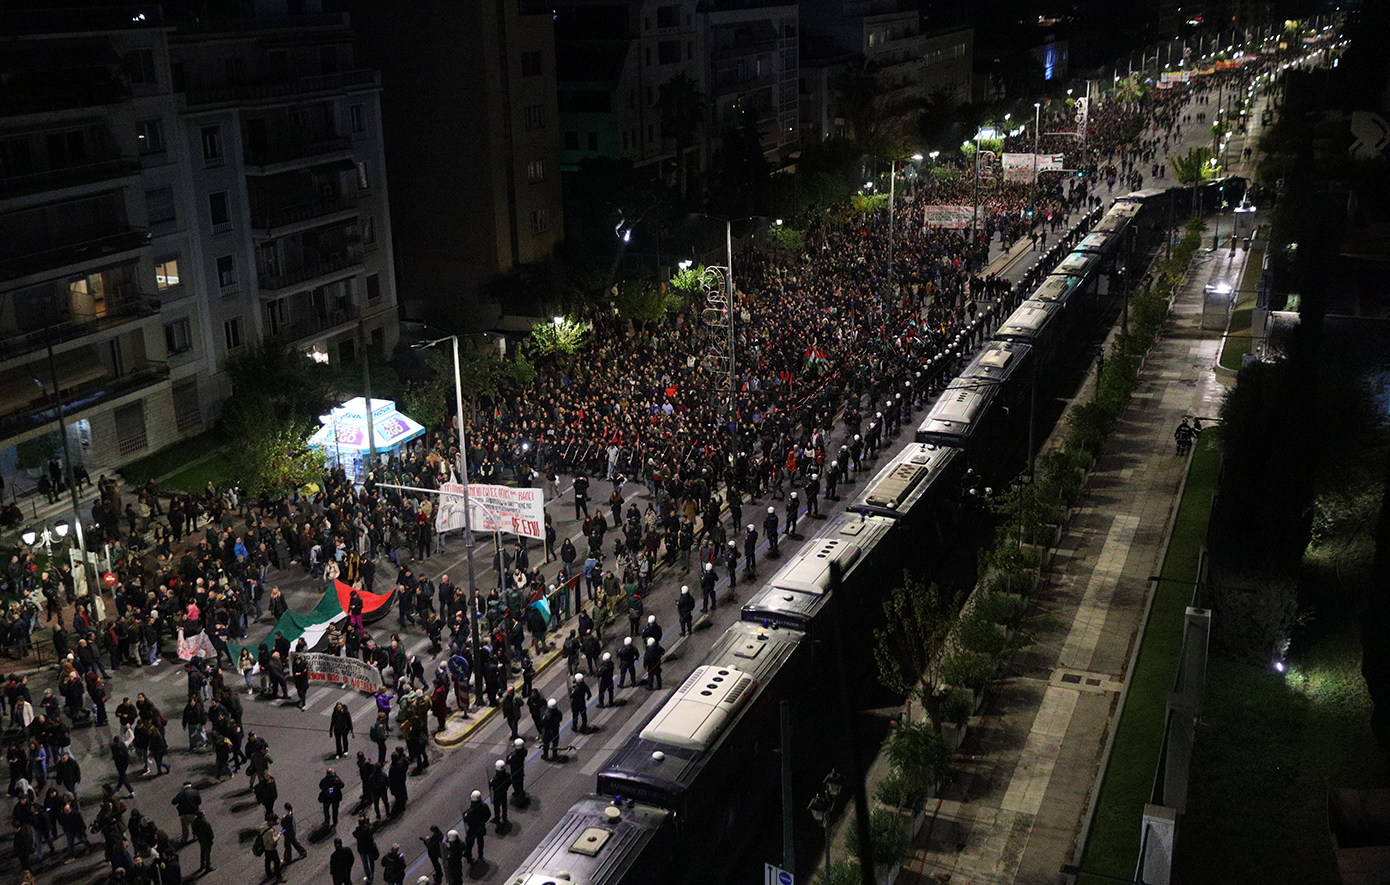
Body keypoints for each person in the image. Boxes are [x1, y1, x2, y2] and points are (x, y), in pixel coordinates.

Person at [462, 791, 489, 863]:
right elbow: (488, 814)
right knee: (480, 841)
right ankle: (480, 855)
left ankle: (469, 855)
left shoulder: (471, 811)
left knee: (469, 842)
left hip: (473, 829)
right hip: (481, 827)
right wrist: (483, 821)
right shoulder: (484, 806)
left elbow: (466, 819)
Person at [255, 814, 284, 882]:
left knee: (267, 861)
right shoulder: (270, 831)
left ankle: (269, 875)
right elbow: (273, 841)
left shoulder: (263, 825)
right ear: (271, 821)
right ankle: (279, 878)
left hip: (265, 847)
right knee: (276, 863)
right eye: (274, 821)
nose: (275, 823)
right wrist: (278, 835)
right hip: (271, 849)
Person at [354, 814, 380, 883]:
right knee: (371, 861)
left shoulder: (358, 830)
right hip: (369, 848)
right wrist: (368, 823)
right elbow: (373, 829)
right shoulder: (368, 828)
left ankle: (368, 875)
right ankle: (372, 872)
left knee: (365, 863)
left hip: (362, 849)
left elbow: (354, 834)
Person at [488, 760, 510, 827]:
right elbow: (509, 782)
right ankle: (504, 818)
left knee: (497, 807)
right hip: (504, 793)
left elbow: (490, 785)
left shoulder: (495, 779)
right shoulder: (507, 775)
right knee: (504, 806)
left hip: (497, 795)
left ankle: (497, 819)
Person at [506, 738, 528, 802]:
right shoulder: (524, 751)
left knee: (515, 783)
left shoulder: (513, 756)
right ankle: (521, 791)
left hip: (515, 771)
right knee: (521, 781)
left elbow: (508, 761)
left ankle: (518, 794)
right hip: (521, 769)